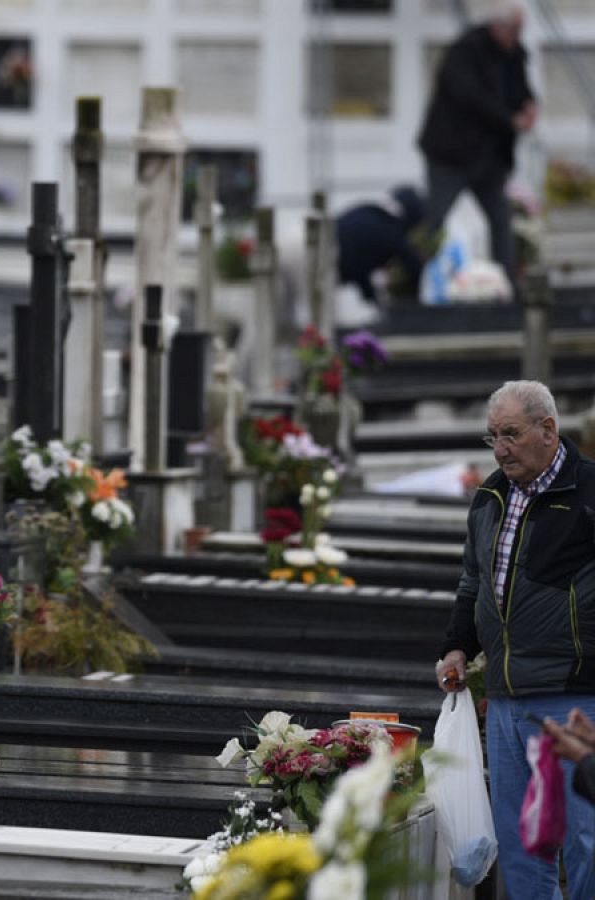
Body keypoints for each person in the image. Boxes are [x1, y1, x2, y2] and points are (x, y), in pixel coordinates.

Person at [436, 379, 595, 898]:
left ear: (548, 430)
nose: (500, 448)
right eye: (492, 437)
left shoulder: (588, 492)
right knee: (522, 845)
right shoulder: (490, 496)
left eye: (511, 434)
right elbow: (473, 581)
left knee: (584, 844)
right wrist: (458, 646)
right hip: (505, 700)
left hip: (572, 699)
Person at [417, 2, 535, 293]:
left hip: (489, 158)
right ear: (498, 26)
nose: (518, 36)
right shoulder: (465, 51)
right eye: (515, 29)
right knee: (436, 221)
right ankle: (421, 284)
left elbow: (520, 89)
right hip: (451, 154)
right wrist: (510, 119)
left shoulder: (514, 54)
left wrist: (529, 106)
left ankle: (506, 286)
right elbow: (469, 97)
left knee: (501, 218)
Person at [335, 186, 426, 303]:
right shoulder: (391, 229)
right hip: (326, 259)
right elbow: (415, 268)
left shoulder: (371, 212)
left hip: (318, 246)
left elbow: (361, 269)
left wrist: (371, 297)